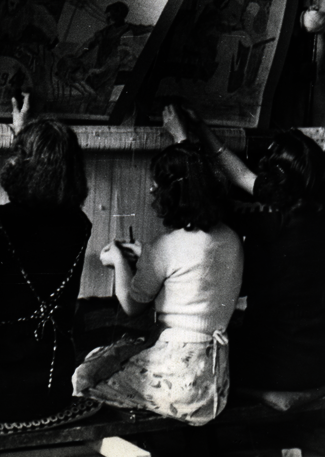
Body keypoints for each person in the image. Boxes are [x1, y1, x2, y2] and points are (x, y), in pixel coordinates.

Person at [0, 94, 93, 426]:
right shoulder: (79, 226)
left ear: (17, 164)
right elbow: (46, 206)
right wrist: (29, 136)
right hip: (51, 388)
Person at [72, 133, 244, 426]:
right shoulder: (231, 238)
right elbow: (193, 272)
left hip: (175, 382)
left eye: (156, 184)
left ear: (169, 193)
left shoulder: (165, 247)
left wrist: (117, 261)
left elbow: (131, 305)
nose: (152, 188)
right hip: (212, 381)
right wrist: (147, 257)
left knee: (85, 376)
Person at [164, 104, 325, 392]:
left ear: (276, 183)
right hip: (314, 363)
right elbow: (243, 176)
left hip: (277, 368)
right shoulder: (316, 210)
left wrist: (181, 141)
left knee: (194, 368)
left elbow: (208, 198)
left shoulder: (271, 220)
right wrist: (203, 130)